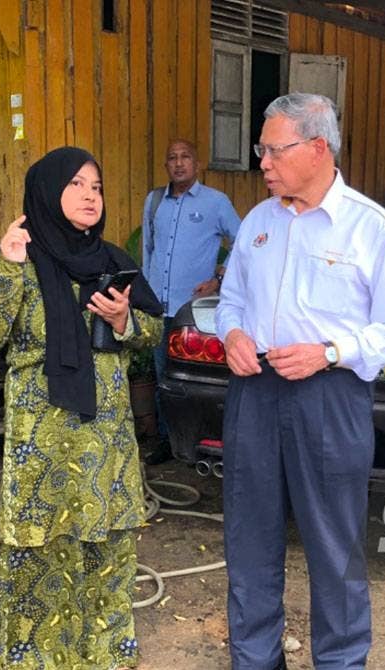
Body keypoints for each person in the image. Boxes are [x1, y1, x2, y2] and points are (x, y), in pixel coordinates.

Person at [215, 92, 385, 669]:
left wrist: (330, 351)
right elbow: (231, 300)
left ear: (318, 147)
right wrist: (232, 335)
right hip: (253, 392)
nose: (264, 163)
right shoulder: (258, 220)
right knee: (249, 540)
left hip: (330, 397)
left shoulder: (370, 228)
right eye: (262, 150)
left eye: (273, 150)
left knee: (334, 547)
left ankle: (341, 660)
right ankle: (254, 659)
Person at [0, 147, 164, 670]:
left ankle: (101, 655)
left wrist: (124, 321)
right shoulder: (19, 256)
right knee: (39, 548)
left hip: (106, 436)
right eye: (76, 184)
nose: (89, 196)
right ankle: (31, 657)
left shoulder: (113, 260)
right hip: (42, 437)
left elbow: (152, 330)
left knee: (107, 548)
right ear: (48, 192)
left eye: (96, 187)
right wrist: (7, 268)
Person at [140, 139, 241, 465]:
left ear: (196, 164)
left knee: (197, 381)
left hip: (193, 313)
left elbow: (243, 244)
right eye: (172, 157)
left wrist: (219, 279)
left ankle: (204, 440)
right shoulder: (155, 202)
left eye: (185, 157)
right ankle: (168, 442)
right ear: (166, 165)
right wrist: (144, 297)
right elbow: (148, 252)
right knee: (162, 378)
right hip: (159, 307)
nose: (179, 163)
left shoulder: (216, 203)